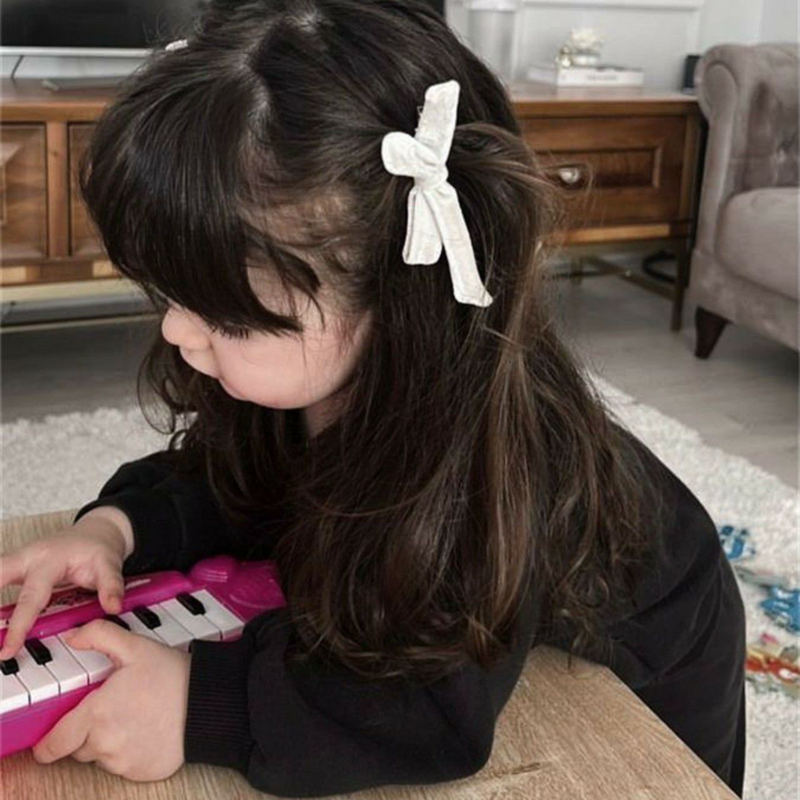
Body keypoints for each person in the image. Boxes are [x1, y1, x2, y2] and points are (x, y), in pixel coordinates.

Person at [0, 1, 746, 796]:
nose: (177, 329)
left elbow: (422, 709)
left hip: (662, 680)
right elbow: (238, 480)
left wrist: (199, 705)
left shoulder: (473, 471)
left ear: (398, 300)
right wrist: (118, 528)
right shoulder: (324, 373)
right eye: (166, 290)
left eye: (227, 317)